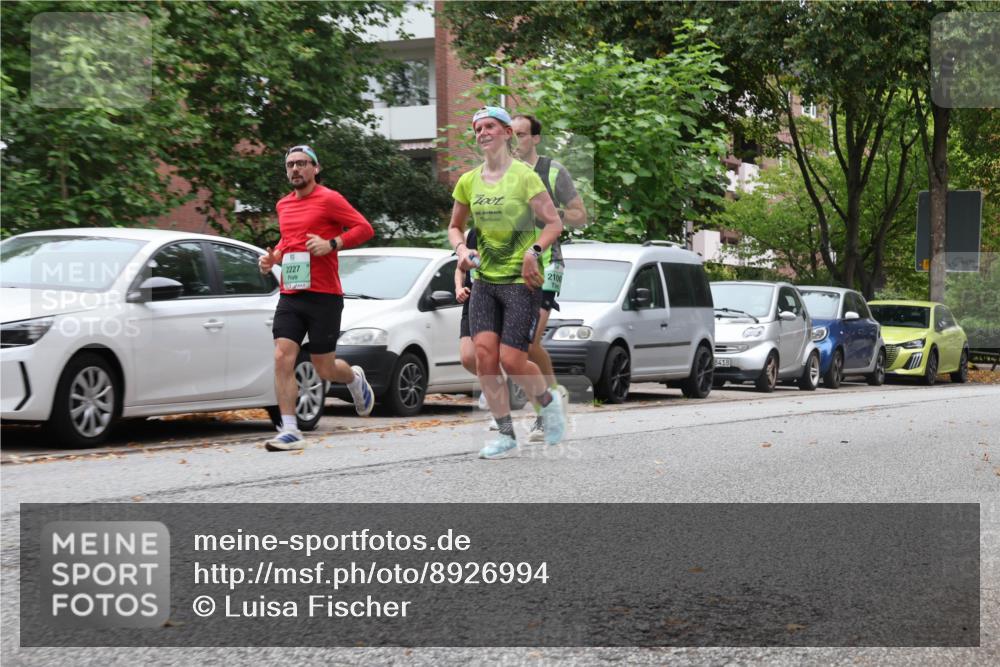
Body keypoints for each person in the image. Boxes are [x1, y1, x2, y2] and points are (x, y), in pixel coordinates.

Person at [448, 106, 566, 459]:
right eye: (477, 128)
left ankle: (547, 402)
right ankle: (505, 433)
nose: (482, 133)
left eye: (490, 127)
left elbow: (553, 224)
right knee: (484, 357)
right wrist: (460, 250)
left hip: (519, 281)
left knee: (513, 360)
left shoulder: (525, 176)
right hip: (484, 280)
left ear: (506, 133)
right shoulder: (468, 181)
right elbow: (455, 225)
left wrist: (534, 251)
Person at [258, 144, 375, 451]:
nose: (295, 169)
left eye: (302, 163)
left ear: (315, 168)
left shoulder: (329, 199)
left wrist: (332, 243)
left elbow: (364, 228)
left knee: (325, 368)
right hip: (292, 293)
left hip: (324, 295)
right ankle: (290, 429)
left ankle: (353, 379)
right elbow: (289, 242)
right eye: (290, 165)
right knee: (282, 356)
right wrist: (274, 258)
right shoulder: (283, 205)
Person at [511, 113, 588, 442]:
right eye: (512, 134)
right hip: (512, 264)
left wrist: (554, 214)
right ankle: (554, 397)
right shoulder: (504, 174)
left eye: (523, 135)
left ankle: (545, 412)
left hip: (549, 263)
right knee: (527, 345)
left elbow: (580, 216)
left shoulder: (553, 171)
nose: (517, 141)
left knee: (527, 343)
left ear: (536, 139)